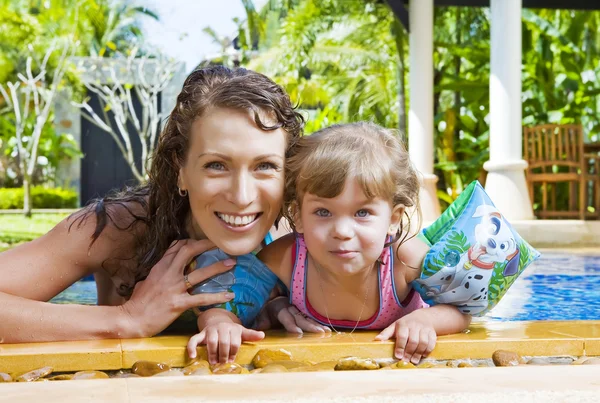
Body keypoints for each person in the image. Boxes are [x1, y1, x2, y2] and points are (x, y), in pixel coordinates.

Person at [0, 65, 310, 344]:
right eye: (216, 165)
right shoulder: (120, 228)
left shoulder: (296, 236)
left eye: (265, 166)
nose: (242, 196)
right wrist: (127, 319)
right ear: (181, 169)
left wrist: (279, 303)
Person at [187, 122, 471, 365]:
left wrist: (425, 321)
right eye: (323, 212)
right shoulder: (287, 257)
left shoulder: (404, 261)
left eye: (363, 213)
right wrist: (221, 324)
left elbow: (462, 310)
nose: (342, 231)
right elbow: (228, 297)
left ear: (393, 219)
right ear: (298, 216)